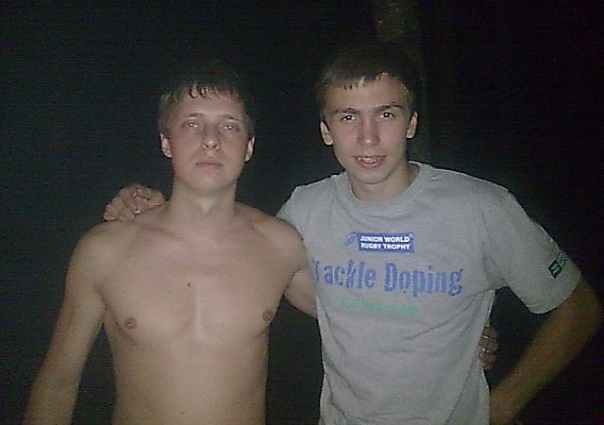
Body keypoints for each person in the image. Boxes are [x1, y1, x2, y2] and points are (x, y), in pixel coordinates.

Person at [102, 44, 600, 424]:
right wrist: (150, 208)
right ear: (326, 131)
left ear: (411, 123)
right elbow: (232, 246)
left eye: (386, 113)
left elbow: (578, 310)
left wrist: (503, 404)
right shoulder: (306, 210)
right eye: (348, 116)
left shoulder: (482, 208)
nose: (367, 137)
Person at [24, 59, 316, 424]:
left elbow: (360, 317)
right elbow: (59, 382)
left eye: (229, 125)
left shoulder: (281, 245)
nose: (211, 140)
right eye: (192, 123)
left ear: (249, 146)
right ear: (166, 142)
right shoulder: (105, 251)